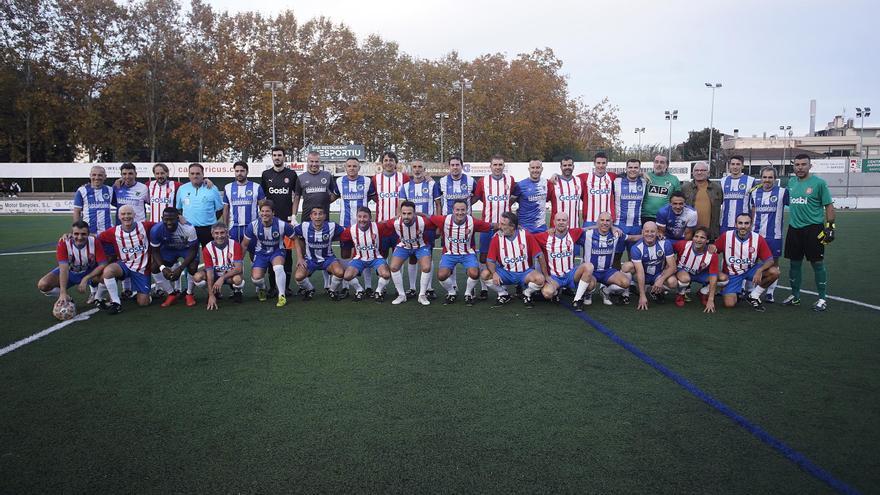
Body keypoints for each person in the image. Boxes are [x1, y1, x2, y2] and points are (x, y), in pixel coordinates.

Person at [783, 154, 835, 311]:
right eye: (797, 164)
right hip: (794, 229)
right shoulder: (791, 182)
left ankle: (822, 298)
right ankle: (795, 296)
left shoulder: (819, 183)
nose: (800, 167)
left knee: (817, 263)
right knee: (794, 264)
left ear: (810, 166)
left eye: (803, 164)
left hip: (814, 229)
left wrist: (830, 227)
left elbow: (829, 206)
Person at [427, 199, 493, 305]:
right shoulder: (444, 220)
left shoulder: (472, 221)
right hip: (449, 253)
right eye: (457, 210)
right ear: (453, 210)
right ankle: (451, 293)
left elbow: (490, 226)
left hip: (467, 253)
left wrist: (509, 225)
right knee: (442, 275)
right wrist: (415, 214)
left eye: (463, 210)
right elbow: (428, 217)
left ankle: (468, 294)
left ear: (467, 210)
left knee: (474, 273)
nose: (460, 212)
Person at [473, 154, 520, 299]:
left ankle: (511, 283)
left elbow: (516, 194)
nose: (498, 167)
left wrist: (509, 205)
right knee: (484, 256)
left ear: (503, 166)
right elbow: (477, 197)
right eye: (495, 165)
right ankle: (484, 288)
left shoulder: (510, 180)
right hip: (488, 225)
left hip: (507, 226)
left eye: (500, 165)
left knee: (509, 254)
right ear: (490, 166)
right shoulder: (483, 181)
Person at [713, 213, 779, 311]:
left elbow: (770, 260)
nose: (743, 226)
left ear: (751, 225)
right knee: (729, 304)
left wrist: (760, 270)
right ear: (735, 224)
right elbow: (714, 251)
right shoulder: (726, 236)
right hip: (732, 274)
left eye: (746, 223)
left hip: (750, 270)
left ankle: (754, 295)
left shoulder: (758, 238)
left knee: (774, 272)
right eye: (740, 223)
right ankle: (737, 293)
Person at [97, 205, 157, 313]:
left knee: (143, 303)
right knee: (108, 271)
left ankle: (143, 295)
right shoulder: (113, 231)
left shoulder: (145, 226)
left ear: (134, 215)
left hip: (142, 269)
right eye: (123, 214)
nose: (126, 216)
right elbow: (96, 240)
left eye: (129, 213)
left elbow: (163, 226)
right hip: (124, 265)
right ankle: (116, 303)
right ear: (119, 216)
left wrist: (180, 218)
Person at [481, 212, 546, 308]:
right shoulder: (496, 238)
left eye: (503, 224)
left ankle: (526, 293)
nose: (499, 226)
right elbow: (490, 260)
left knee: (540, 279)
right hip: (505, 273)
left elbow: (539, 255)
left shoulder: (526, 235)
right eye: (500, 223)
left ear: (512, 227)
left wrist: (546, 275)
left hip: (525, 273)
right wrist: (494, 273)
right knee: (485, 274)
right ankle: (503, 294)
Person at [397, 160, 441, 299]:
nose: (417, 169)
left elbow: (438, 205)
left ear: (424, 168)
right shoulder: (405, 186)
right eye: (414, 167)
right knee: (412, 257)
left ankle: (428, 288)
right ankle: (412, 288)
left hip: (428, 227)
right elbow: (400, 208)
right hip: (410, 227)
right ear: (411, 169)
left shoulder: (432, 184)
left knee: (428, 256)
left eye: (420, 167)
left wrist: (438, 225)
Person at [37, 220, 107, 307]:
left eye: (83, 234)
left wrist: (86, 278)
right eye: (76, 234)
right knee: (43, 285)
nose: (80, 237)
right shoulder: (64, 242)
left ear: (88, 234)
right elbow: (63, 269)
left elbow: (103, 264)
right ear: (71, 234)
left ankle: (97, 297)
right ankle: (67, 298)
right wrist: (63, 292)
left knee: (108, 275)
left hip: (88, 272)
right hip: (70, 272)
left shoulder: (94, 241)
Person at [241, 200, 297, 308]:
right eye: (262, 211)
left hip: (277, 251)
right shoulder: (253, 225)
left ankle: (281, 295)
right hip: (261, 252)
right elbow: (244, 244)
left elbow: (296, 239)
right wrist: (239, 261)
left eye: (267, 211)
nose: (264, 214)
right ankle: (262, 288)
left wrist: (300, 258)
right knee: (256, 278)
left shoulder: (282, 225)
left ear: (273, 213)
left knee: (278, 268)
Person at [335, 156, 377, 298]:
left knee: (365, 254)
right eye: (349, 166)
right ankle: (346, 286)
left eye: (354, 166)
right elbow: (332, 197)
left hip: (363, 226)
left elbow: (373, 197)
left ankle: (369, 287)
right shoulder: (339, 181)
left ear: (359, 168)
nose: (352, 168)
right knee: (346, 254)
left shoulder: (366, 181)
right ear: (345, 168)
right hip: (345, 226)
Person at [534, 212, 593, 311]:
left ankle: (577, 300)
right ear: (554, 222)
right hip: (554, 277)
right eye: (558, 220)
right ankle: (557, 291)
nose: (561, 222)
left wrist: (612, 227)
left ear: (568, 222)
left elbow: (589, 229)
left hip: (571, 274)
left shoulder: (573, 233)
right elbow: (528, 238)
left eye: (564, 220)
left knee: (590, 273)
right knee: (547, 293)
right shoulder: (545, 236)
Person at [261, 146, 299, 297]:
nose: (277, 157)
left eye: (279, 155)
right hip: (270, 222)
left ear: (284, 157)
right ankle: (272, 287)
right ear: (272, 157)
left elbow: (296, 196)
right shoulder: (266, 174)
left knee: (287, 255)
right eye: (274, 155)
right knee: (271, 251)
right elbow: (262, 198)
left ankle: (286, 287)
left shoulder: (291, 174)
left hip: (286, 221)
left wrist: (294, 216)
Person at [383, 201, 434, 305]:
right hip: (404, 246)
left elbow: (437, 224)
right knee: (393, 267)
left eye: (409, 213)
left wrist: (425, 215)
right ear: (400, 213)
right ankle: (401, 295)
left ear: (414, 213)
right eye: (404, 213)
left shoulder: (423, 221)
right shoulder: (396, 222)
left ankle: (422, 295)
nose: (406, 216)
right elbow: (382, 224)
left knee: (426, 267)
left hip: (421, 246)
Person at [750, 166, 789, 302]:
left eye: (770, 177)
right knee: (752, 262)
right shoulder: (754, 193)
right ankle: (750, 290)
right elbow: (753, 212)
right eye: (765, 177)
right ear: (761, 178)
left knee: (773, 265)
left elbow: (794, 206)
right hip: (756, 235)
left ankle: (770, 293)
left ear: (775, 178)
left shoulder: (783, 192)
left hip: (774, 236)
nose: (767, 180)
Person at [339, 207, 393, 302]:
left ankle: (378, 291)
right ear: (356, 217)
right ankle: (359, 290)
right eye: (359, 217)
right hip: (359, 259)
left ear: (370, 218)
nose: (362, 219)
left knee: (386, 274)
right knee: (347, 276)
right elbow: (343, 240)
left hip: (376, 258)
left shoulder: (378, 227)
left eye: (365, 217)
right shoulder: (350, 230)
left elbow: (392, 224)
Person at [149, 207, 200, 307]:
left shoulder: (188, 228)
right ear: (162, 218)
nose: (169, 222)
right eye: (166, 219)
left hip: (185, 249)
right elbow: (155, 252)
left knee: (193, 267)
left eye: (172, 219)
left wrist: (181, 268)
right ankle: (171, 294)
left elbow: (193, 250)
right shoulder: (156, 230)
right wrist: (163, 269)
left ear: (178, 218)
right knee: (154, 267)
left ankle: (189, 294)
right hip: (169, 250)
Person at [292, 206, 345, 300]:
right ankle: (310, 289)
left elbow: (345, 233)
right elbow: (294, 236)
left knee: (340, 272)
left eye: (320, 214)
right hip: (310, 260)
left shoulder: (332, 226)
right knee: (298, 276)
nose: (317, 217)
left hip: (328, 259)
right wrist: (300, 257)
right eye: (315, 214)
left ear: (324, 216)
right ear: (311, 216)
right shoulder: (304, 226)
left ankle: (332, 290)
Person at [672, 226, 728, 312]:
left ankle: (703, 292)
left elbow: (713, 276)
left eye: (702, 237)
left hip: (701, 274)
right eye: (696, 236)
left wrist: (710, 299)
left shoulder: (712, 254)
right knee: (685, 278)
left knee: (724, 279)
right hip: (683, 271)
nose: (698, 240)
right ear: (692, 237)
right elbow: (668, 251)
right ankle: (681, 293)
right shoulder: (683, 245)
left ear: (707, 241)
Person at [191, 222, 245, 309]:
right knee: (197, 277)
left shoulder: (235, 245)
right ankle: (214, 292)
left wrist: (222, 278)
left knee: (238, 279)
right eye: (216, 233)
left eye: (222, 232)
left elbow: (238, 268)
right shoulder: (207, 248)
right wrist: (211, 295)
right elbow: (209, 272)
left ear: (227, 233)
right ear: (212, 234)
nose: (219, 236)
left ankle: (237, 291)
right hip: (215, 275)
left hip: (229, 275)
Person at [581, 211, 631, 305]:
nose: (605, 222)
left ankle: (605, 291)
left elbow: (631, 238)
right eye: (602, 220)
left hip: (607, 271)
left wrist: (646, 236)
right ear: (597, 221)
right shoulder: (587, 234)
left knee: (626, 283)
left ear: (611, 223)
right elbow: (572, 233)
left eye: (607, 220)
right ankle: (588, 293)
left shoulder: (616, 234)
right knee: (590, 285)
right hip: (591, 272)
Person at [625, 221, 677, 310]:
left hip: (658, 274)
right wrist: (642, 295)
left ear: (657, 232)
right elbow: (640, 272)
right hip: (643, 276)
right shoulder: (636, 248)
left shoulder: (665, 243)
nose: (649, 234)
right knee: (627, 266)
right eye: (647, 231)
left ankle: (653, 290)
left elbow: (673, 267)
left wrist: (661, 280)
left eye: (652, 231)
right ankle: (627, 293)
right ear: (642, 232)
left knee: (673, 282)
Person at [372, 151, 410, 261]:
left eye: (391, 160)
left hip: (399, 223)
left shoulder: (404, 178)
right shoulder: (375, 179)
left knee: (399, 255)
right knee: (382, 255)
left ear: (396, 163)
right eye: (386, 160)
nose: (388, 163)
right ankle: (384, 278)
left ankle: (397, 278)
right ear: (382, 163)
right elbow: (374, 197)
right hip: (381, 223)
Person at [175, 163, 224, 247]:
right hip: (188, 228)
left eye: (198, 173)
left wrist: (209, 221)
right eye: (192, 173)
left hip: (209, 229)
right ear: (188, 175)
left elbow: (219, 209)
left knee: (210, 256)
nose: (195, 176)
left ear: (203, 175)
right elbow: (178, 208)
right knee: (191, 256)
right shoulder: (182, 189)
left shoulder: (212, 188)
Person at [613, 158, 648, 264]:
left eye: (636, 167)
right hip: (619, 225)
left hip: (636, 226)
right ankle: (615, 278)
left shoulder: (644, 181)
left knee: (634, 257)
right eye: (630, 167)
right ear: (626, 169)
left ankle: (632, 278)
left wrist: (644, 174)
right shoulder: (616, 181)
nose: (633, 170)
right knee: (616, 257)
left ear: (640, 169)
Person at [223, 161, 265, 246]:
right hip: (234, 227)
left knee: (254, 253)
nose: (239, 173)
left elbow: (263, 208)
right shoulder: (228, 187)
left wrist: (262, 226)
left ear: (247, 172)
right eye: (237, 171)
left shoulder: (256, 187)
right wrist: (225, 227)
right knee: (234, 254)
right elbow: (226, 210)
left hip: (252, 226)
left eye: (242, 171)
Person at [680, 161, 723, 240]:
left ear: (708, 173)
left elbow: (721, 203)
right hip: (689, 231)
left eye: (702, 170)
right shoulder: (685, 188)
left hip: (710, 232)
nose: (699, 172)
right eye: (696, 170)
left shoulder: (716, 188)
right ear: (692, 173)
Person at [292, 151, 339, 221]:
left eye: (316, 161)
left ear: (320, 162)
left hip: (323, 219)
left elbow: (333, 195)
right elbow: (297, 197)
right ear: (307, 162)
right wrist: (293, 216)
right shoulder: (301, 178)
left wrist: (324, 201)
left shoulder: (327, 176)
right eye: (311, 161)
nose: (314, 164)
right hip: (307, 219)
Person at [73, 166, 115, 234]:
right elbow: (77, 212)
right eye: (94, 175)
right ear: (90, 176)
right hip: (88, 232)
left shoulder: (110, 190)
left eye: (100, 175)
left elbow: (119, 204)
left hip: (107, 231)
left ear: (105, 177)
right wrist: (76, 230)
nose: (97, 178)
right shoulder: (82, 190)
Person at [719, 155, 755, 234]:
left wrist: (752, 223)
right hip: (725, 224)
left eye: (738, 164)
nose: (735, 167)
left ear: (742, 166)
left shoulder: (751, 181)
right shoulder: (722, 181)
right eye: (733, 164)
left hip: (743, 225)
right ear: (729, 166)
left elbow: (754, 205)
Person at [547, 156, 584, 228]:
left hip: (575, 228)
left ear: (573, 166)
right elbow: (544, 200)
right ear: (561, 167)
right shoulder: (552, 182)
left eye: (570, 165)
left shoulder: (580, 181)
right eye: (565, 165)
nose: (567, 167)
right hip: (556, 229)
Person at [642, 155, 681, 224]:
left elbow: (678, 199)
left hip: (665, 216)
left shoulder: (674, 179)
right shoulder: (646, 176)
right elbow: (628, 174)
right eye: (656, 162)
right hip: (645, 216)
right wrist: (640, 174)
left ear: (667, 165)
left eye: (662, 162)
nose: (658, 164)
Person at [515, 159, 549, 233]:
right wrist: (515, 223)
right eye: (533, 168)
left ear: (542, 169)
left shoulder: (546, 183)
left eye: (538, 167)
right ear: (529, 169)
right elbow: (509, 203)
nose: (535, 170)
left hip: (541, 228)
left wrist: (556, 174)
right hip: (524, 229)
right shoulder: (520, 185)